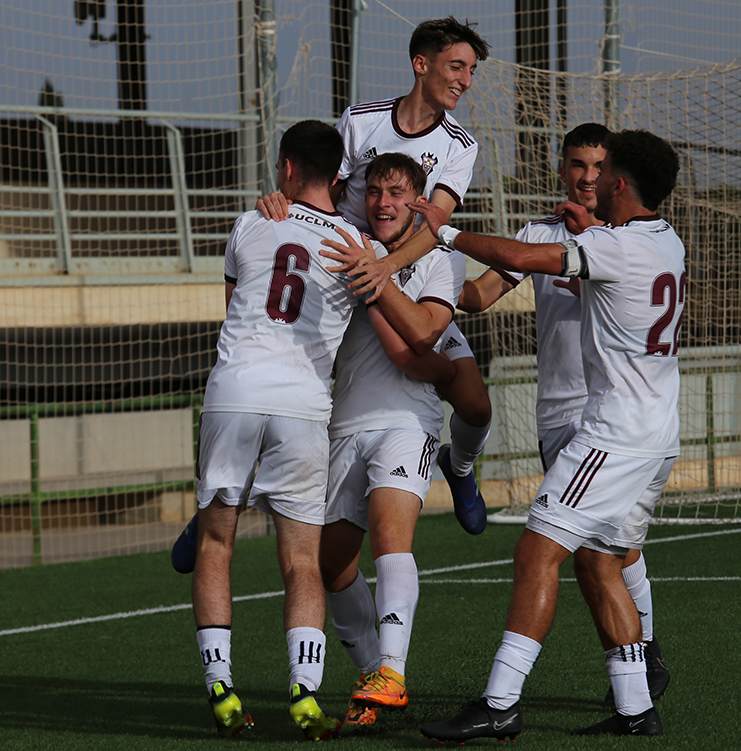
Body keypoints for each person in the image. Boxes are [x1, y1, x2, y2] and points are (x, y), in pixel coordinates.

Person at [411, 129, 685, 740]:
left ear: (616, 182)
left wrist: (443, 231)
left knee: (538, 552)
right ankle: (636, 709)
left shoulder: (613, 246)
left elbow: (534, 260)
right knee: (604, 562)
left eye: (602, 167)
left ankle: (500, 702)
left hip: (613, 433)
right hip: (653, 433)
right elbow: (505, 276)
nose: (592, 176)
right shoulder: (666, 240)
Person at [255, 16, 493, 534]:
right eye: (458, 66)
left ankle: (460, 467)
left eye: (471, 70)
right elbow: (324, 192)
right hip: (348, 275)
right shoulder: (361, 118)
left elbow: (435, 224)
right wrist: (283, 201)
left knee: (476, 405)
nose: (465, 81)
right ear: (420, 64)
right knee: (289, 376)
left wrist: (384, 268)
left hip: (404, 275)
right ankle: (223, 496)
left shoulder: (460, 144)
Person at [190, 120, 362, 740]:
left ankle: (222, 690)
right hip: (303, 405)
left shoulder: (250, 222)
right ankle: (306, 696)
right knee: (300, 561)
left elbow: (236, 302)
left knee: (216, 544)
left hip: (233, 392)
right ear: (337, 175)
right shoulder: (354, 242)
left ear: (287, 169)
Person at [316, 152, 466, 729]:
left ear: (418, 199)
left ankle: (393, 673)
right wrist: (275, 203)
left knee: (390, 539)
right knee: (331, 566)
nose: (383, 202)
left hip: (408, 421)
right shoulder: (345, 242)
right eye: (375, 190)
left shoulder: (438, 258)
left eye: (397, 192)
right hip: (344, 422)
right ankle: (371, 671)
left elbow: (425, 336)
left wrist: (375, 277)